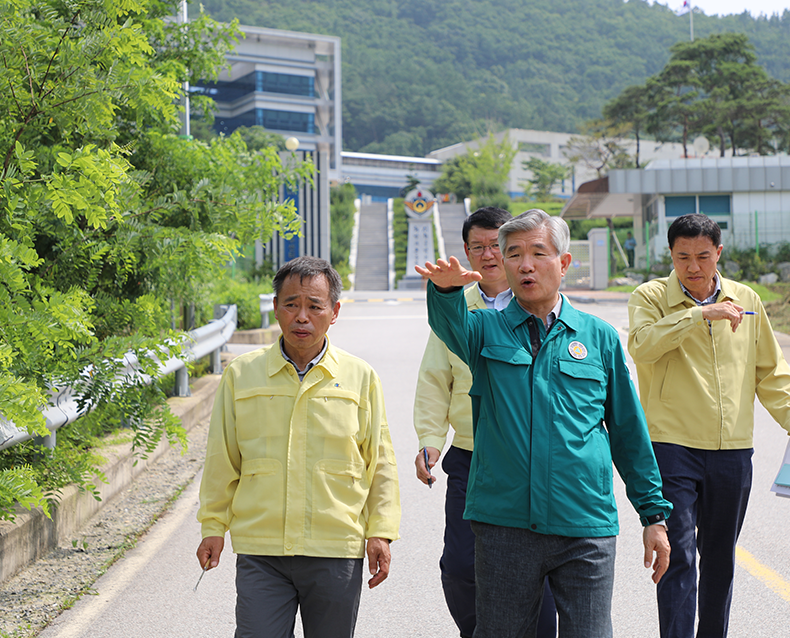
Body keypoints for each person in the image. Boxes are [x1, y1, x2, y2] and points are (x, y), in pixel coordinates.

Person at [416, 208, 672, 638]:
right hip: (504, 524)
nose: (525, 264)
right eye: (513, 254)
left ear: (564, 263)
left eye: (538, 252)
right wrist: (443, 291)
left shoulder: (598, 337)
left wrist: (654, 515)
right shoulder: (484, 330)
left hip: (584, 524)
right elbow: (449, 323)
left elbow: (628, 432)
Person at [196, 256, 401, 638]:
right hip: (262, 550)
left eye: (314, 306)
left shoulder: (360, 377)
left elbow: (381, 462)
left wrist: (381, 531)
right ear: (276, 308)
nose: (301, 317)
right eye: (291, 305)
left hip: (335, 548)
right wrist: (213, 526)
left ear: (334, 311)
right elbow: (222, 458)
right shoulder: (242, 375)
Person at [627, 213, 790, 638]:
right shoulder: (649, 297)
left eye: (703, 256)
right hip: (670, 446)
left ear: (719, 252)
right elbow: (642, 347)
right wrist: (699, 315)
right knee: (676, 554)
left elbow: (770, 374)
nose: (693, 266)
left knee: (719, 558)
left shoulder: (747, 299)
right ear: (671, 255)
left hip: (733, 451)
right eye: (683, 257)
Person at [413, 207, 556, 638]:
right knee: (460, 566)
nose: (489, 254)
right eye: (479, 246)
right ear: (467, 252)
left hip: (529, 455)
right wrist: (430, 439)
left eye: (498, 245)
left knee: (539, 565)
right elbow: (435, 379)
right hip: (472, 455)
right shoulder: (457, 309)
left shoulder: (537, 299)